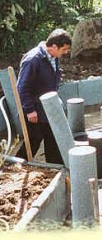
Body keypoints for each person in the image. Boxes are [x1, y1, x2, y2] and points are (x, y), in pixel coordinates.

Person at [16, 29, 72, 164]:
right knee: (34, 141)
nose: (65, 52)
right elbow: (22, 87)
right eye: (64, 49)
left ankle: (55, 168)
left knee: (53, 139)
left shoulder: (53, 57)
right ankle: (15, 165)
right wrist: (30, 110)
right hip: (35, 110)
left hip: (49, 108)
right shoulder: (33, 60)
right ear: (53, 46)